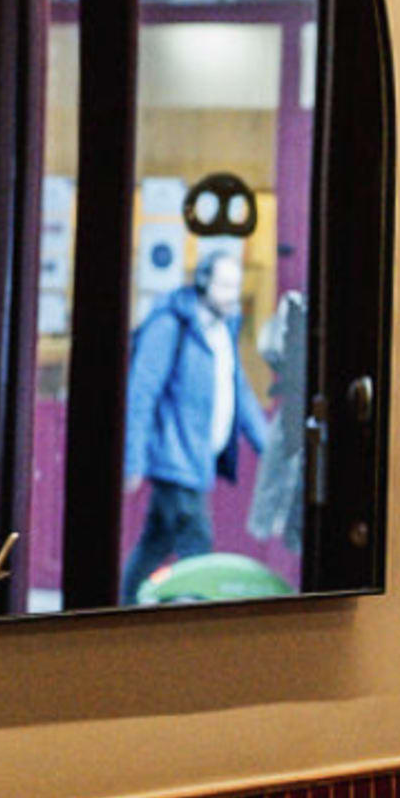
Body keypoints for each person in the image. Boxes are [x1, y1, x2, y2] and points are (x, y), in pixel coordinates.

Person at [123, 243, 267, 591]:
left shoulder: (223, 329)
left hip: (197, 460)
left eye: (236, 286)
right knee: (197, 548)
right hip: (174, 460)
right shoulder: (171, 325)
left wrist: (271, 448)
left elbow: (240, 392)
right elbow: (141, 394)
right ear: (202, 283)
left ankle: (120, 605)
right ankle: (197, 621)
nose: (232, 296)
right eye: (224, 286)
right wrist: (134, 461)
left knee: (156, 543)